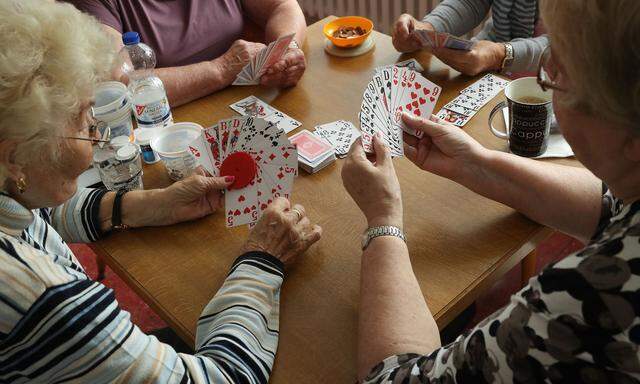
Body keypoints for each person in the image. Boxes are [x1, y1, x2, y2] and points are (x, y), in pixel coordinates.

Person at [0, 1, 321, 382]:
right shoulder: (43, 299)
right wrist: (262, 260)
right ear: (17, 157)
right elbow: (221, 378)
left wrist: (153, 204)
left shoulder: (14, 186)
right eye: (87, 123)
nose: (99, 135)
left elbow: (42, 213)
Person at [344, 0, 640, 381]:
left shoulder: (589, 298)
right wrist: (475, 163)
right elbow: (608, 207)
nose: (548, 86)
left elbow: (390, 378)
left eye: (556, 75)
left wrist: (383, 219)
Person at [65, 0, 308, 107]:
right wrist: (221, 69)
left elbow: (283, 6)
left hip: (246, 101)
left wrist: (287, 50)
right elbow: (120, 83)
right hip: (167, 129)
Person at [392, 0, 548, 76]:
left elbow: (569, 47)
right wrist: (427, 28)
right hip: (491, 51)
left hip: (553, 83)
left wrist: (498, 55)